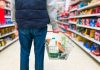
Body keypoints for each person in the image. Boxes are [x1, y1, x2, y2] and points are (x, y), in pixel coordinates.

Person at [13, 0, 59, 70]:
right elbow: (51, 6)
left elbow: (13, 6)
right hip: (40, 24)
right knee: (39, 53)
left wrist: (15, 22)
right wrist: (54, 25)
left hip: (23, 24)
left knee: (24, 52)